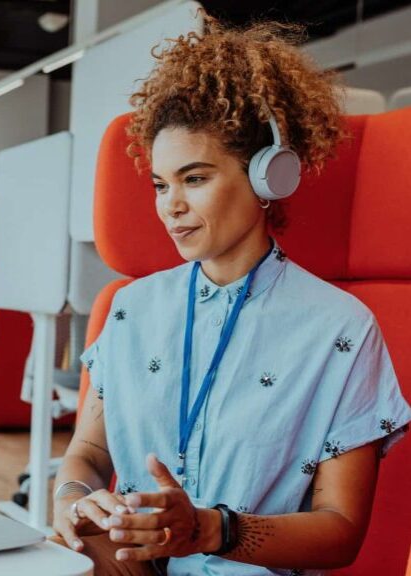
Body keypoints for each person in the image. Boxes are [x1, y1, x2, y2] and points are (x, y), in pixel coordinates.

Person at [52, 18, 411, 575]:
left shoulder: (341, 329)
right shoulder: (129, 309)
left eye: (194, 179)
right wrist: (73, 500)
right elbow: (89, 455)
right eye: (160, 184)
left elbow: (341, 532)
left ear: (268, 178)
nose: (170, 205)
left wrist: (211, 530)